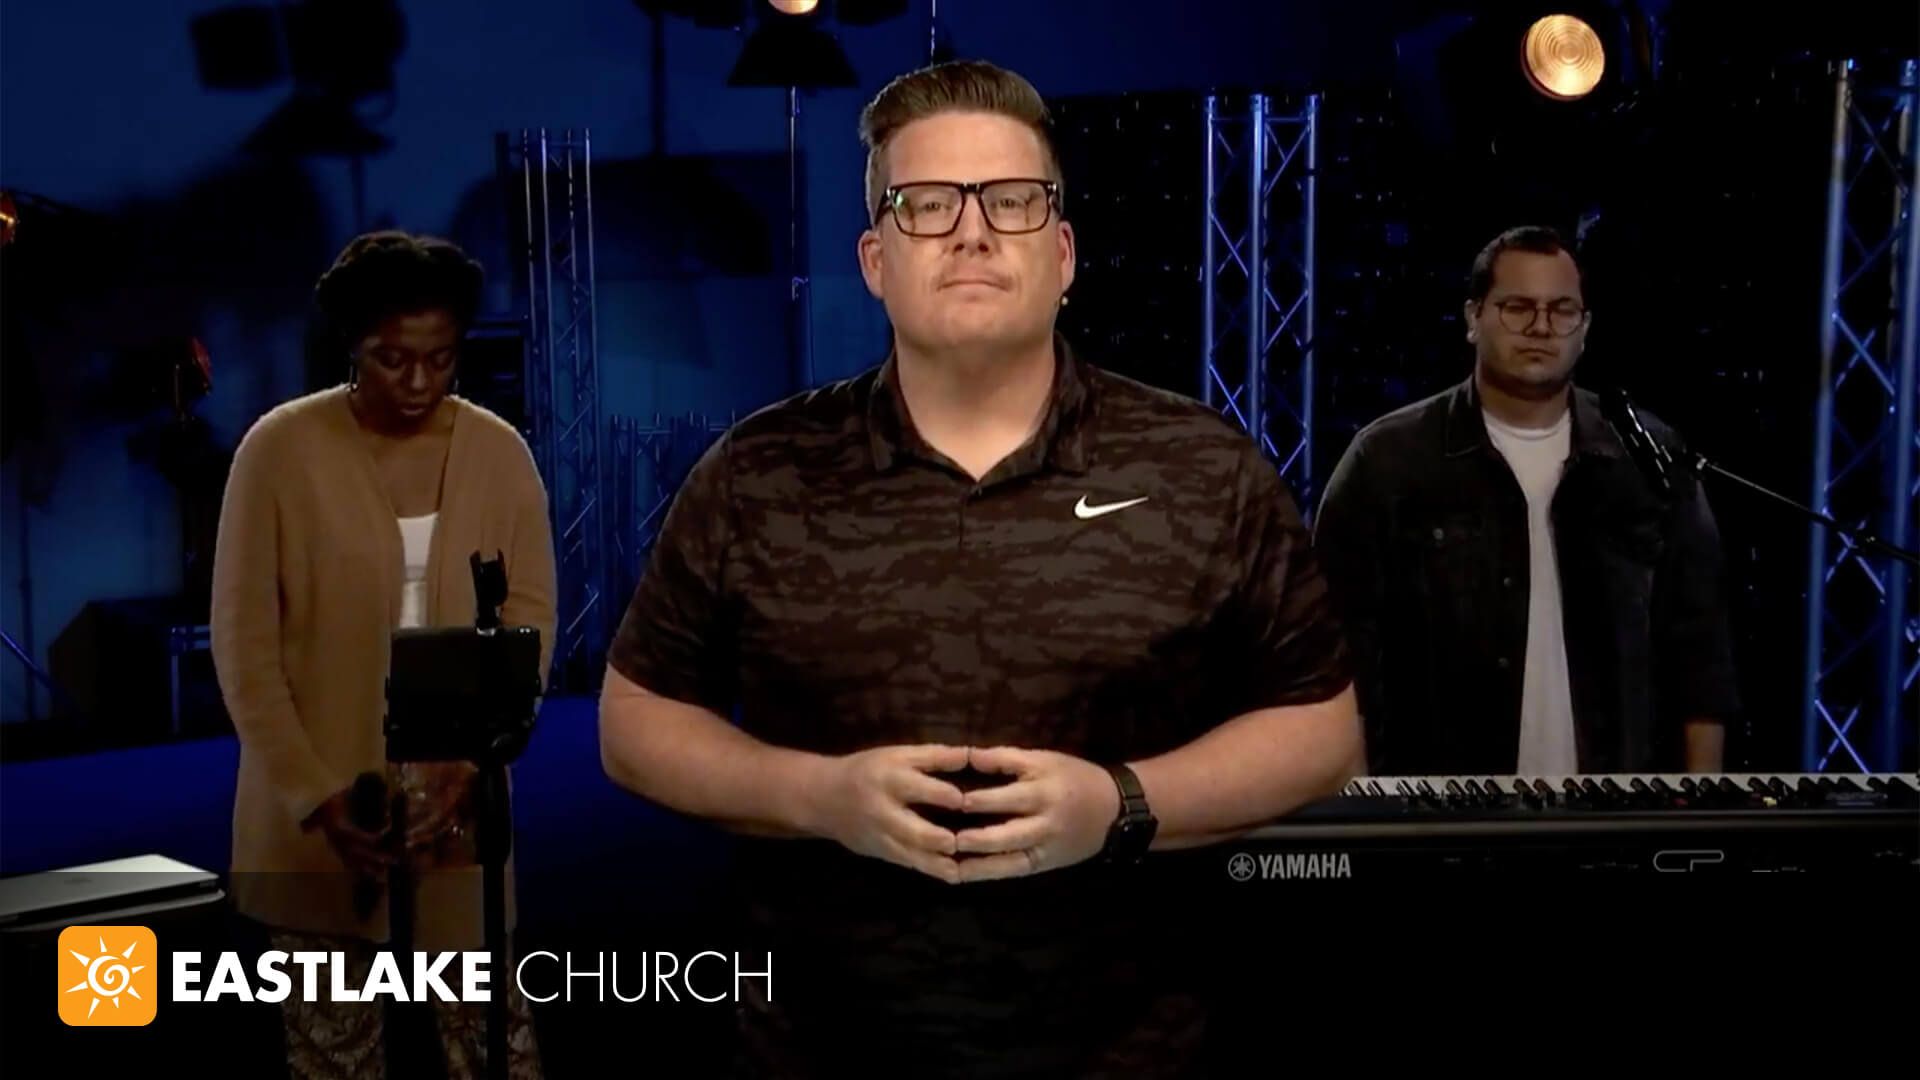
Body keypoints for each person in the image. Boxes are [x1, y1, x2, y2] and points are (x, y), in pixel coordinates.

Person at [598, 60, 1359, 1077]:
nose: (971, 231)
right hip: (824, 1047)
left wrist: (1122, 805)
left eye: (1010, 199)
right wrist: (819, 796)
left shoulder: (1203, 468)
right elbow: (636, 723)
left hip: (1129, 1048)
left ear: (1063, 252)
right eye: (926, 204)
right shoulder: (758, 472)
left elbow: (1321, 732)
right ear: (875, 259)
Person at [210, 230, 554, 1079]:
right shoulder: (277, 451)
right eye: (391, 359)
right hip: (317, 799)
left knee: (494, 1045)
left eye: (440, 359)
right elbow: (245, 649)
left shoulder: (499, 453)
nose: (419, 382)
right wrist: (316, 796)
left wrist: (472, 768)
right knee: (333, 1055)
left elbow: (531, 622)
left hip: (457, 793)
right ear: (351, 347)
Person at [1313, 226, 1739, 778]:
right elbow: (1338, 662)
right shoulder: (1388, 461)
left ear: (1585, 329)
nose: (1541, 327)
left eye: (1562, 311)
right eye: (1517, 307)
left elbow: (1701, 659)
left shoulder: (1649, 460)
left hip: (1616, 806)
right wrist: (1357, 812)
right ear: (1473, 318)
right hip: (1436, 808)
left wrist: (1697, 807)